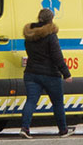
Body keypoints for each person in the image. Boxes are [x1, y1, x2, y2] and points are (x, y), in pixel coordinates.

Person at [20, 7, 73, 137]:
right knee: (58, 103)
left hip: (31, 74)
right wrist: (66, 74)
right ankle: (63, 130)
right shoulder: (51, 36)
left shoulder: (29, 35)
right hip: (50, 75)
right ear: (51, 20)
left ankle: (25, 128)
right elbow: (57, 56)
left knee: (31, 101)